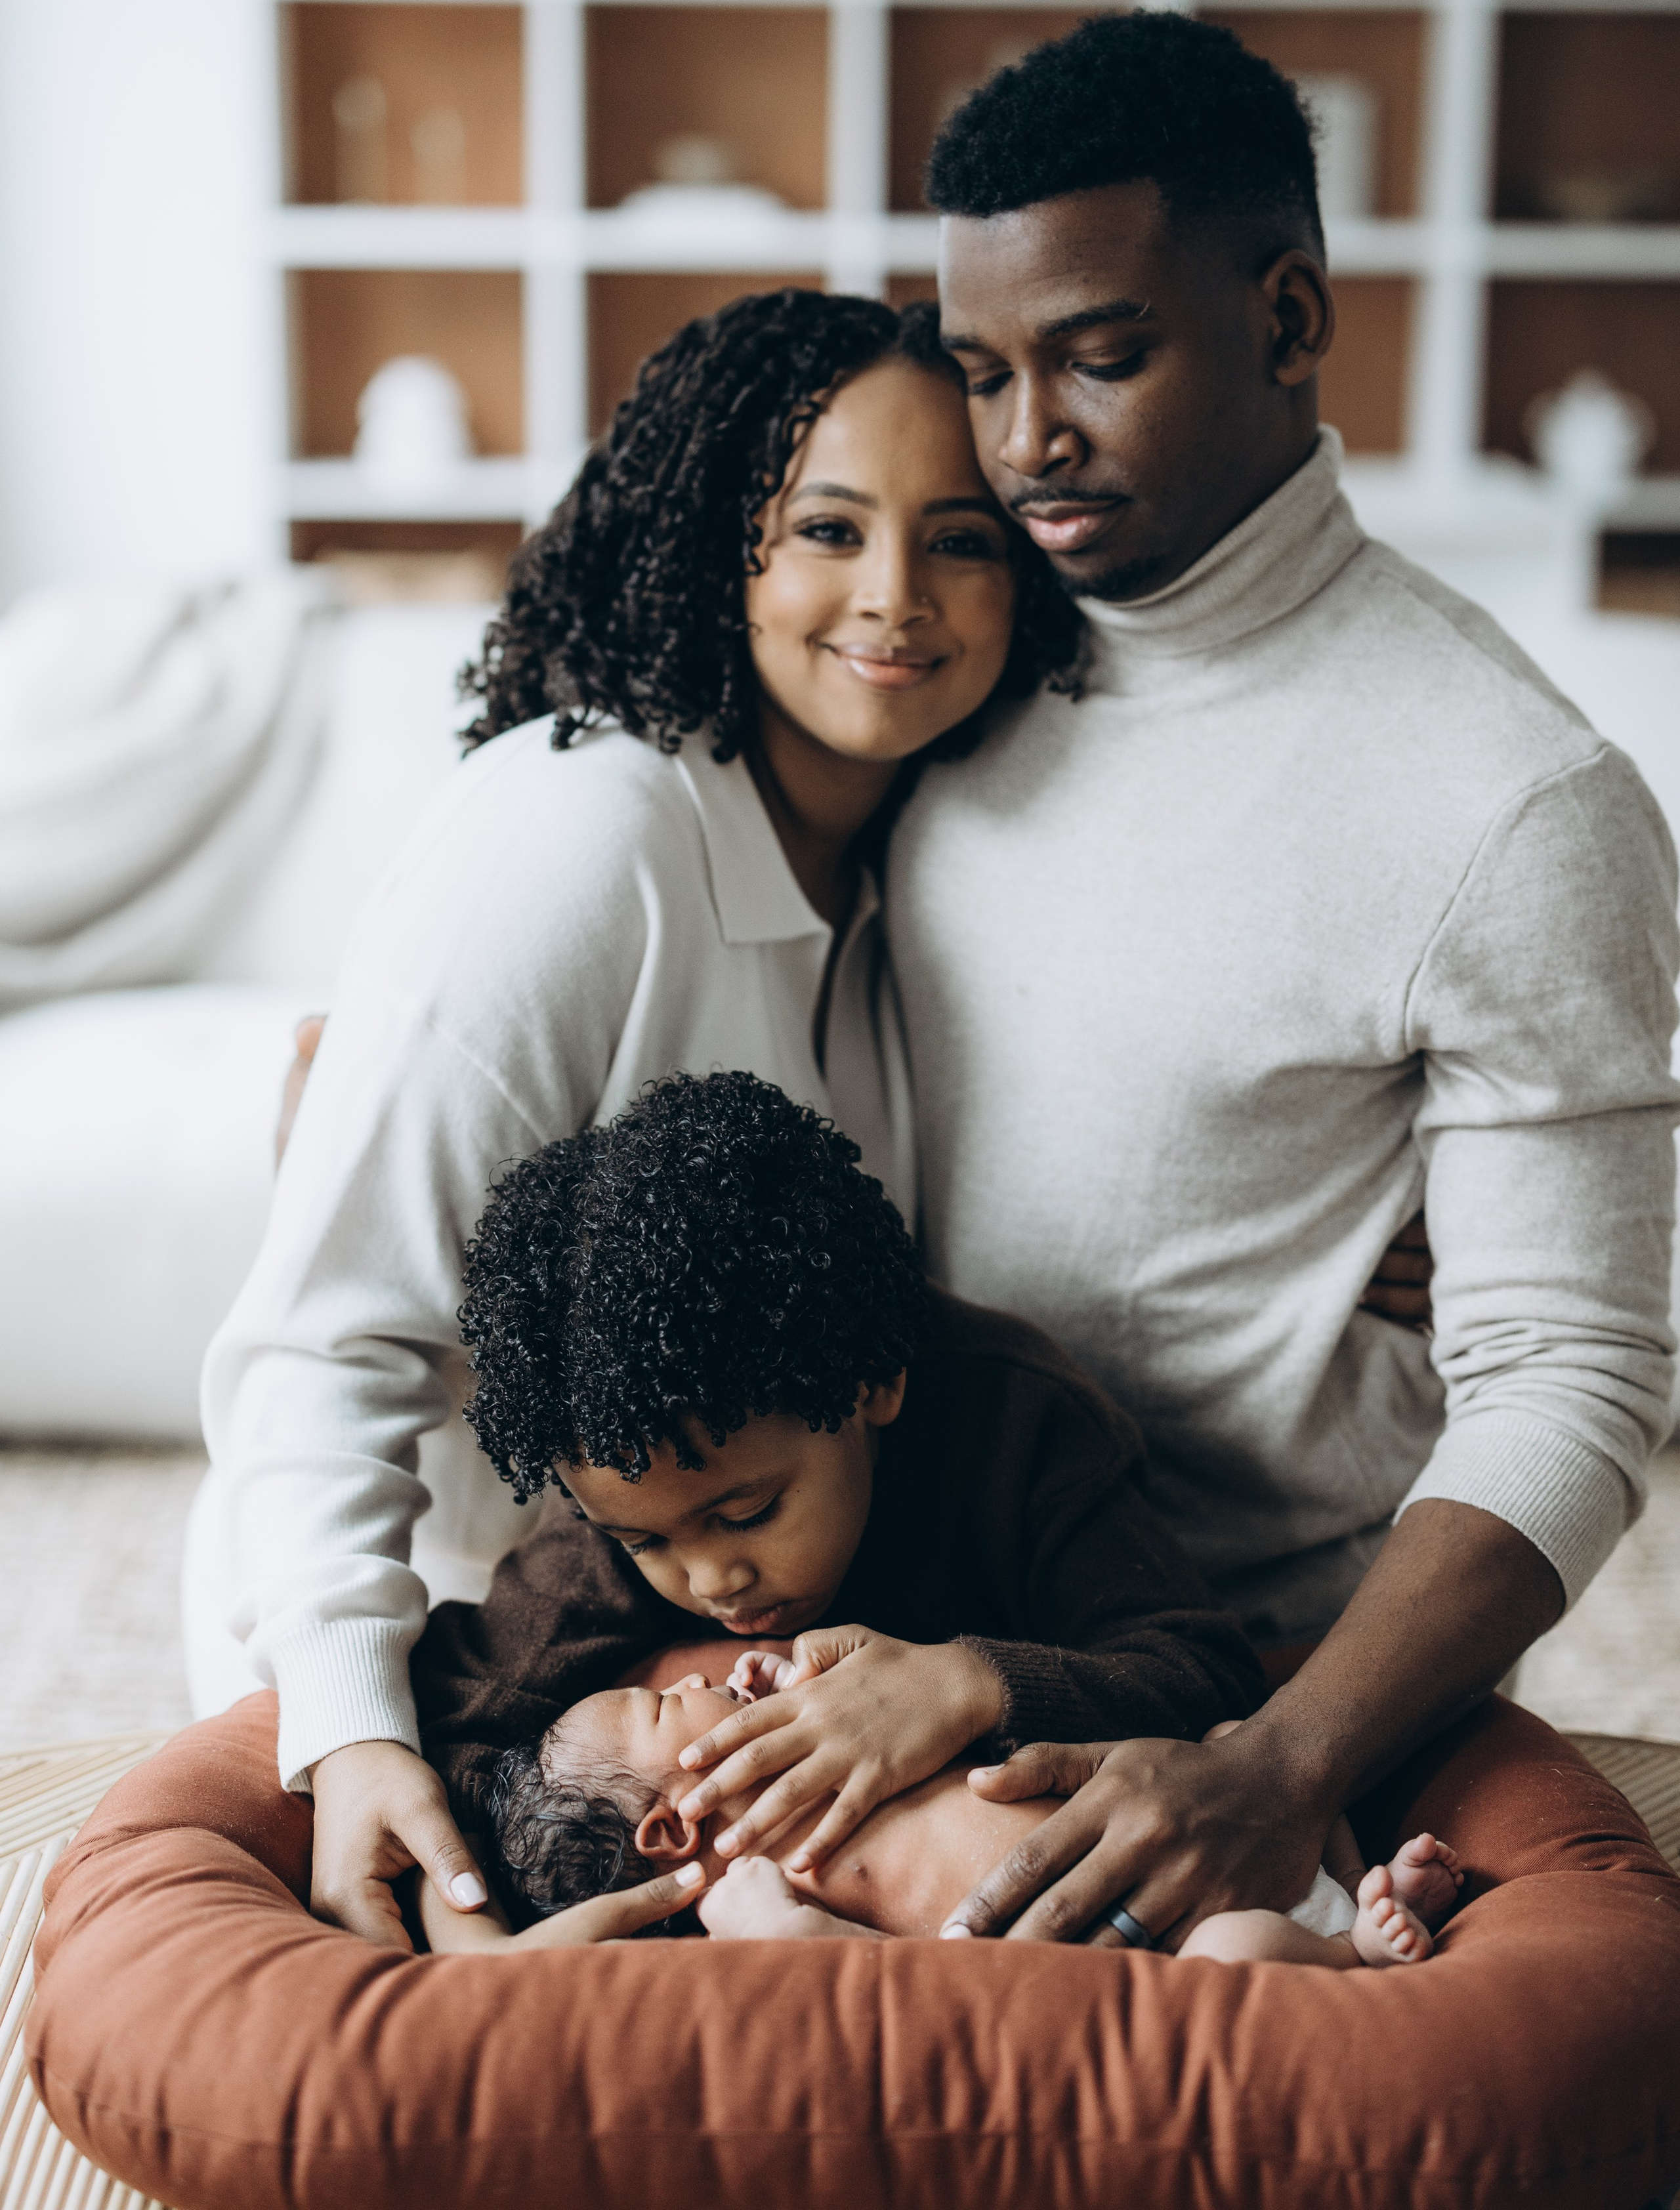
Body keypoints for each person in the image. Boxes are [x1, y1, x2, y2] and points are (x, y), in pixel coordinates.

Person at [879, 10, 1679, 1949]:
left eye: (1101, 356)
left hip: (1253, 1682)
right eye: (980, 373)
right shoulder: (939, 648)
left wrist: (1282, 1763)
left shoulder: (1511, 798)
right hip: (875, 1612)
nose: (1025, 440)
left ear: (1290, 317)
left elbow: (1573, 1376)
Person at [197, 291, 1083, 1951]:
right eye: (828, 529)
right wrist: (355, 1734)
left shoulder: (915, 877)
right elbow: (327, 1339)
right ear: (709, 548)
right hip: (474, 1682)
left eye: (959, 538)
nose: (897, 595)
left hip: (737, 1671)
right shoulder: (579, 832)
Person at [410, 1068, 1264, 1867]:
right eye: (644, 1545)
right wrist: (464, 1916)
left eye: (748, 1515)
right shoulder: (627, 1467)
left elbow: (1205, 1671)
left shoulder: (1018, 1420)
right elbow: (451, 1720)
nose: (712, 1580)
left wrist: (968, 1685)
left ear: (872, 1384)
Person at [420, 1668, 1462, 1971]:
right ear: (670, 1830)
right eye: (664, 1706)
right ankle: (1358, 1947)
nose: (691, 1679)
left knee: (1242, 1735)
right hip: (1172, 1929)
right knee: (1233, 1958)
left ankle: (1352, 1877)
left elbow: (881, 1712)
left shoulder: (814, 1748)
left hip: (1208, 1833)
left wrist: (790, 1685)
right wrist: (790, 1930)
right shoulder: (751, 1894)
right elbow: (863, 1972)